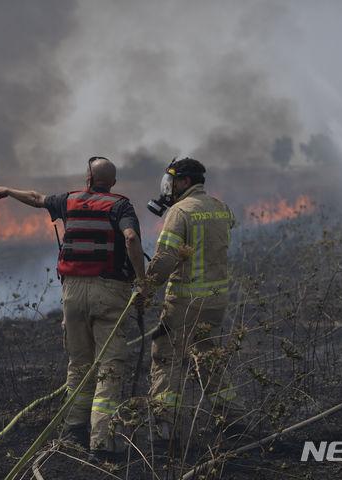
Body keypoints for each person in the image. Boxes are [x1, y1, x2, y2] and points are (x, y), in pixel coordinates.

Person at [0, 156, 146, 461]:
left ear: (87, 179)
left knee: (79, 363)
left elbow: (35, 198)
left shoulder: (69, 201)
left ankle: (74, 431)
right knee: (109, 365)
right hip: (109, 291)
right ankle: (103, 440)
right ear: (112, 182)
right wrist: (143, 282)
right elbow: (130, 237)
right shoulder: (120, 205)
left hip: (72, 292)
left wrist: (7, 190)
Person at [138, 157, 245, 449]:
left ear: (184, 182)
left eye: (172, 183)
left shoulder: (179, 212)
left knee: (166, 359)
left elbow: (164, 258)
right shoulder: (221, 208)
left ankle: (165, 431)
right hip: (216, 300)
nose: (168, 189)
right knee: (208, 358)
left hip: (184, 301)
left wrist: (145, 290)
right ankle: (234, 420)